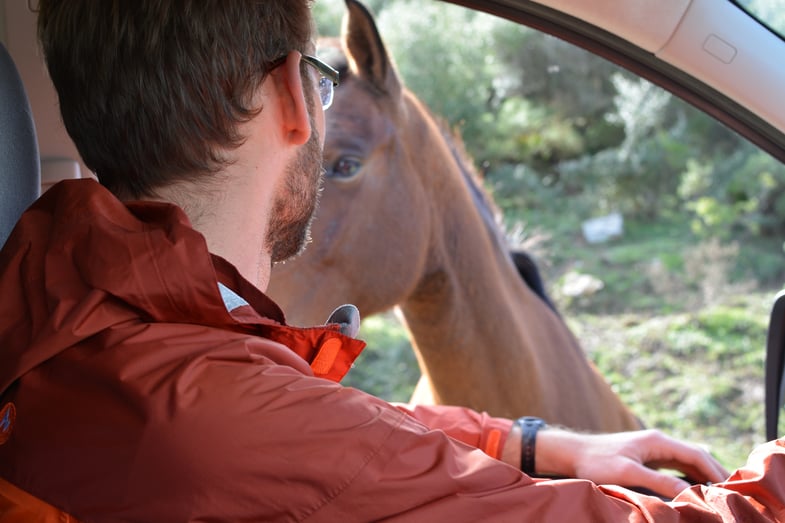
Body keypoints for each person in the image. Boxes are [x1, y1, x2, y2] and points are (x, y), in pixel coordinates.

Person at [0, 1, 783, 521]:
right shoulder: (218, 420)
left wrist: (535, 443)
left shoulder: (61, 300)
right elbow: (304, 437)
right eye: (321, 79)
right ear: (293, 97)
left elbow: (325, 430)